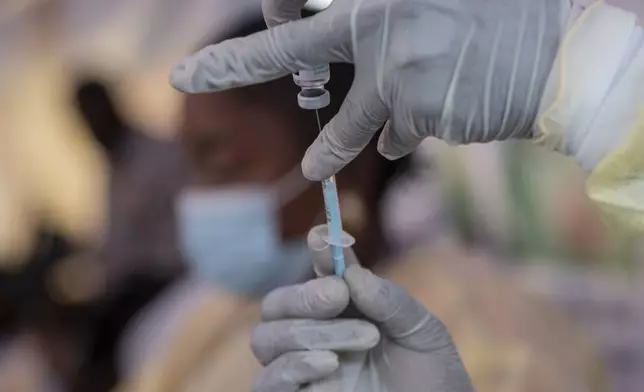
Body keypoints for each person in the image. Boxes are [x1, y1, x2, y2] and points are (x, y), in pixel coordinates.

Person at [168, 0, 643, 390]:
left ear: (347, 166)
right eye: (192, 167)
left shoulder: (494, 336)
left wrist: (604, 90)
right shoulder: (216, 322)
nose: (200, 199)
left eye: (223, 166)